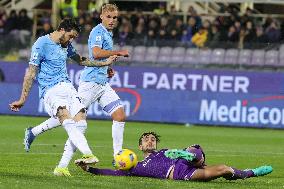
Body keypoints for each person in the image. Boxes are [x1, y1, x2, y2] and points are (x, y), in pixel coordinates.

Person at [23, 4, 129, 176]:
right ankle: (60, 163)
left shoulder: (108, 33)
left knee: (119, 115)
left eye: (115, 17)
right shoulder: (97, 31)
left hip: (102, 82)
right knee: (74, 121)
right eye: (109, 17)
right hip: (90, 83)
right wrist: (117, 53)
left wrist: (106, 68)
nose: (112, 20)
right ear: (101, 16)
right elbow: (95, 52)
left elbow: (95, 58)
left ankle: (118, 156)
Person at [76, 132, 273, 181]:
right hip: (178, 171)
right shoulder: (134, 166)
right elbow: (112, 173)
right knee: (224, 169)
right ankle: (250, 173)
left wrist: (186, 156)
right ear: (139, 146)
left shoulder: (164, 151)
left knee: (194, 149)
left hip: (182, 159)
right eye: (146, 139)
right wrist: (89, 169)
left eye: (153, 139)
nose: (150, 141)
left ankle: (192, 155)